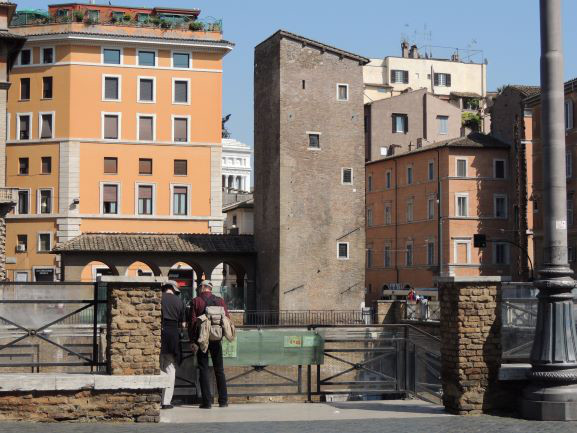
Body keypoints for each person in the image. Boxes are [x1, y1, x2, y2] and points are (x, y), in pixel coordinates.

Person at [189, 280, 229, 409]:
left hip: (202, 340)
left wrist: (192, 340)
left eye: (200, 286)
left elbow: (193, 322)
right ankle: (223, 401)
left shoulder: (196, 301)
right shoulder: (220, 301)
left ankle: (207, 402)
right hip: (216, 338)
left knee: (203, 369)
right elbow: (227, 318)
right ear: (211, 289)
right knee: (219, 370)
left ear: (202, 288)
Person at [160, 280, 186, 410]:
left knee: (157, 366)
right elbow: (183, 325)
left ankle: (156, 399)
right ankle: (166, 401)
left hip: (159, 333)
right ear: (172, 289)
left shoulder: (158, 298)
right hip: (173, 335)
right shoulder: (179, 301)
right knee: (170, 367)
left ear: (164, 288)